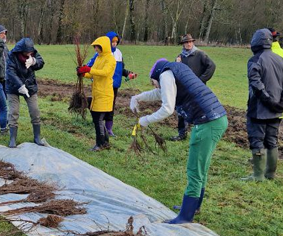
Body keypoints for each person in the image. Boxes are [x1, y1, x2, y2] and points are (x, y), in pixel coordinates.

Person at [130, 58, 228, 224]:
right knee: (201, 168)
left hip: (207, 122)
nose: (155, 86)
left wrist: (145, 120)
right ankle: (194, 206)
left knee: (194, 170)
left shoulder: (165, 76)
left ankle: (185, 217)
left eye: (154, 82)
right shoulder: (174, 71)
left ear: (156, 75)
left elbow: (167, 108)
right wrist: (138, 97)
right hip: (216, 119)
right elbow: (160, 93)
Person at [243, 28, 283, 182]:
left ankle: (258, 176)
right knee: (272, 141)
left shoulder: (255, 60)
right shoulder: (281, 59)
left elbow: (256, 84)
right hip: (276, 111)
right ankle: (270, 174)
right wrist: (281, 103)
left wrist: (269, 101)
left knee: (257, 140)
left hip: (259, 109)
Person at [86, 32, 136, 136]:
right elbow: (90, 67)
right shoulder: (99, 54)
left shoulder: (119, 53)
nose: (114, 44)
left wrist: (128, 74)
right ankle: (100, 126)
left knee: (111, 108)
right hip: (103, 85)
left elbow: (120, 69)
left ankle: (108, 129)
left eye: (116, 42)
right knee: (100, 108)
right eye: (112, 41)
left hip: (115, 85)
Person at [171, 34, 216, 141]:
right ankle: (182, 134)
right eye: (186, 42)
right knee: (181, 111)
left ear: (193, 42)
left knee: (199, 112)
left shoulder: (200, 54)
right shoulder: (180, 57)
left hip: (197, 89)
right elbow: (176, 72)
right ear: (183, 44)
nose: (189, 44)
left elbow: (212, 66)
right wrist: (177, 64)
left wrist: (201, 80)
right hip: (184, 89)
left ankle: (201, 135)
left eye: (190, 42)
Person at [5, 37, 47, 148]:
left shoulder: (33, 53)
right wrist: (20, 85)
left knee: (35, 111)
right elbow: (10, 72)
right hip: (13, 86)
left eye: (30, 52)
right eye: (27, 52)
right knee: (14, 112)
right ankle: (12, 139)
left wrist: (34, 61)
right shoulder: (12, 55)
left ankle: (37, 137)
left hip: (30, 86)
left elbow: (41, 62)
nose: (29, 53)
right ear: (21, 50)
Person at [77, 35, 116, 151]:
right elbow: (94, 73)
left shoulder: (110, 59)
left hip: (105, 94)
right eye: (95, 47)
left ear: (103, 47)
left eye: (97, 47)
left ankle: (100, 144)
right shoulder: (99, 58)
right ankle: (105, 143)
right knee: (97, 119)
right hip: (97, 93)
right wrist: (83, 73)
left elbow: (104, 72)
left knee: (98, 119)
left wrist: (89, 69)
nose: (95, 49)